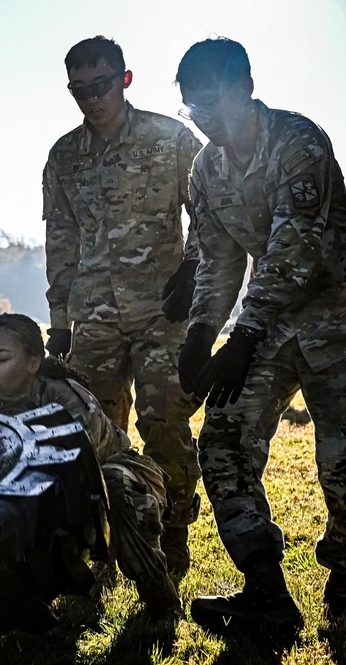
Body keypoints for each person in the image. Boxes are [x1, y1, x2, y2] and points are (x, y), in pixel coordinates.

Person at [175, 37, 346, 635]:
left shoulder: (297, 142)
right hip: (270, 326)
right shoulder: (206, 168)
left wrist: (241, 338)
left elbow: (293, 248)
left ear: (245, 86)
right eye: (191, 109)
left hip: (336, 318)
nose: (204, 120)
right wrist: (201, 331)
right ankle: (266, 593)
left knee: (343, 463)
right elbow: (218, 260)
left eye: (212, 102)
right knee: (223, 442)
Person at [42, 36, 203, 572]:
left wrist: (193, 265)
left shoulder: (171, 138)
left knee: (165, 426)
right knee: (94, 430)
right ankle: (110, 537)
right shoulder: (64, 156)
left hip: (164, 311)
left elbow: (211, 207)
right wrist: (59, 323)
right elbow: (61, 242)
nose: (92, 99)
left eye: (102, 85)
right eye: (79, 89)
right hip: (95, 317)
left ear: (125, 79)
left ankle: (172, 536)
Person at [0, 313, 182, 619]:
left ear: (32, 363)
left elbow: (75, 469)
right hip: (56, 496)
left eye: (0, 358)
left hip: (111, 478)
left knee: (118, 486)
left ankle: (161, 598)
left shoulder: (66, 399)